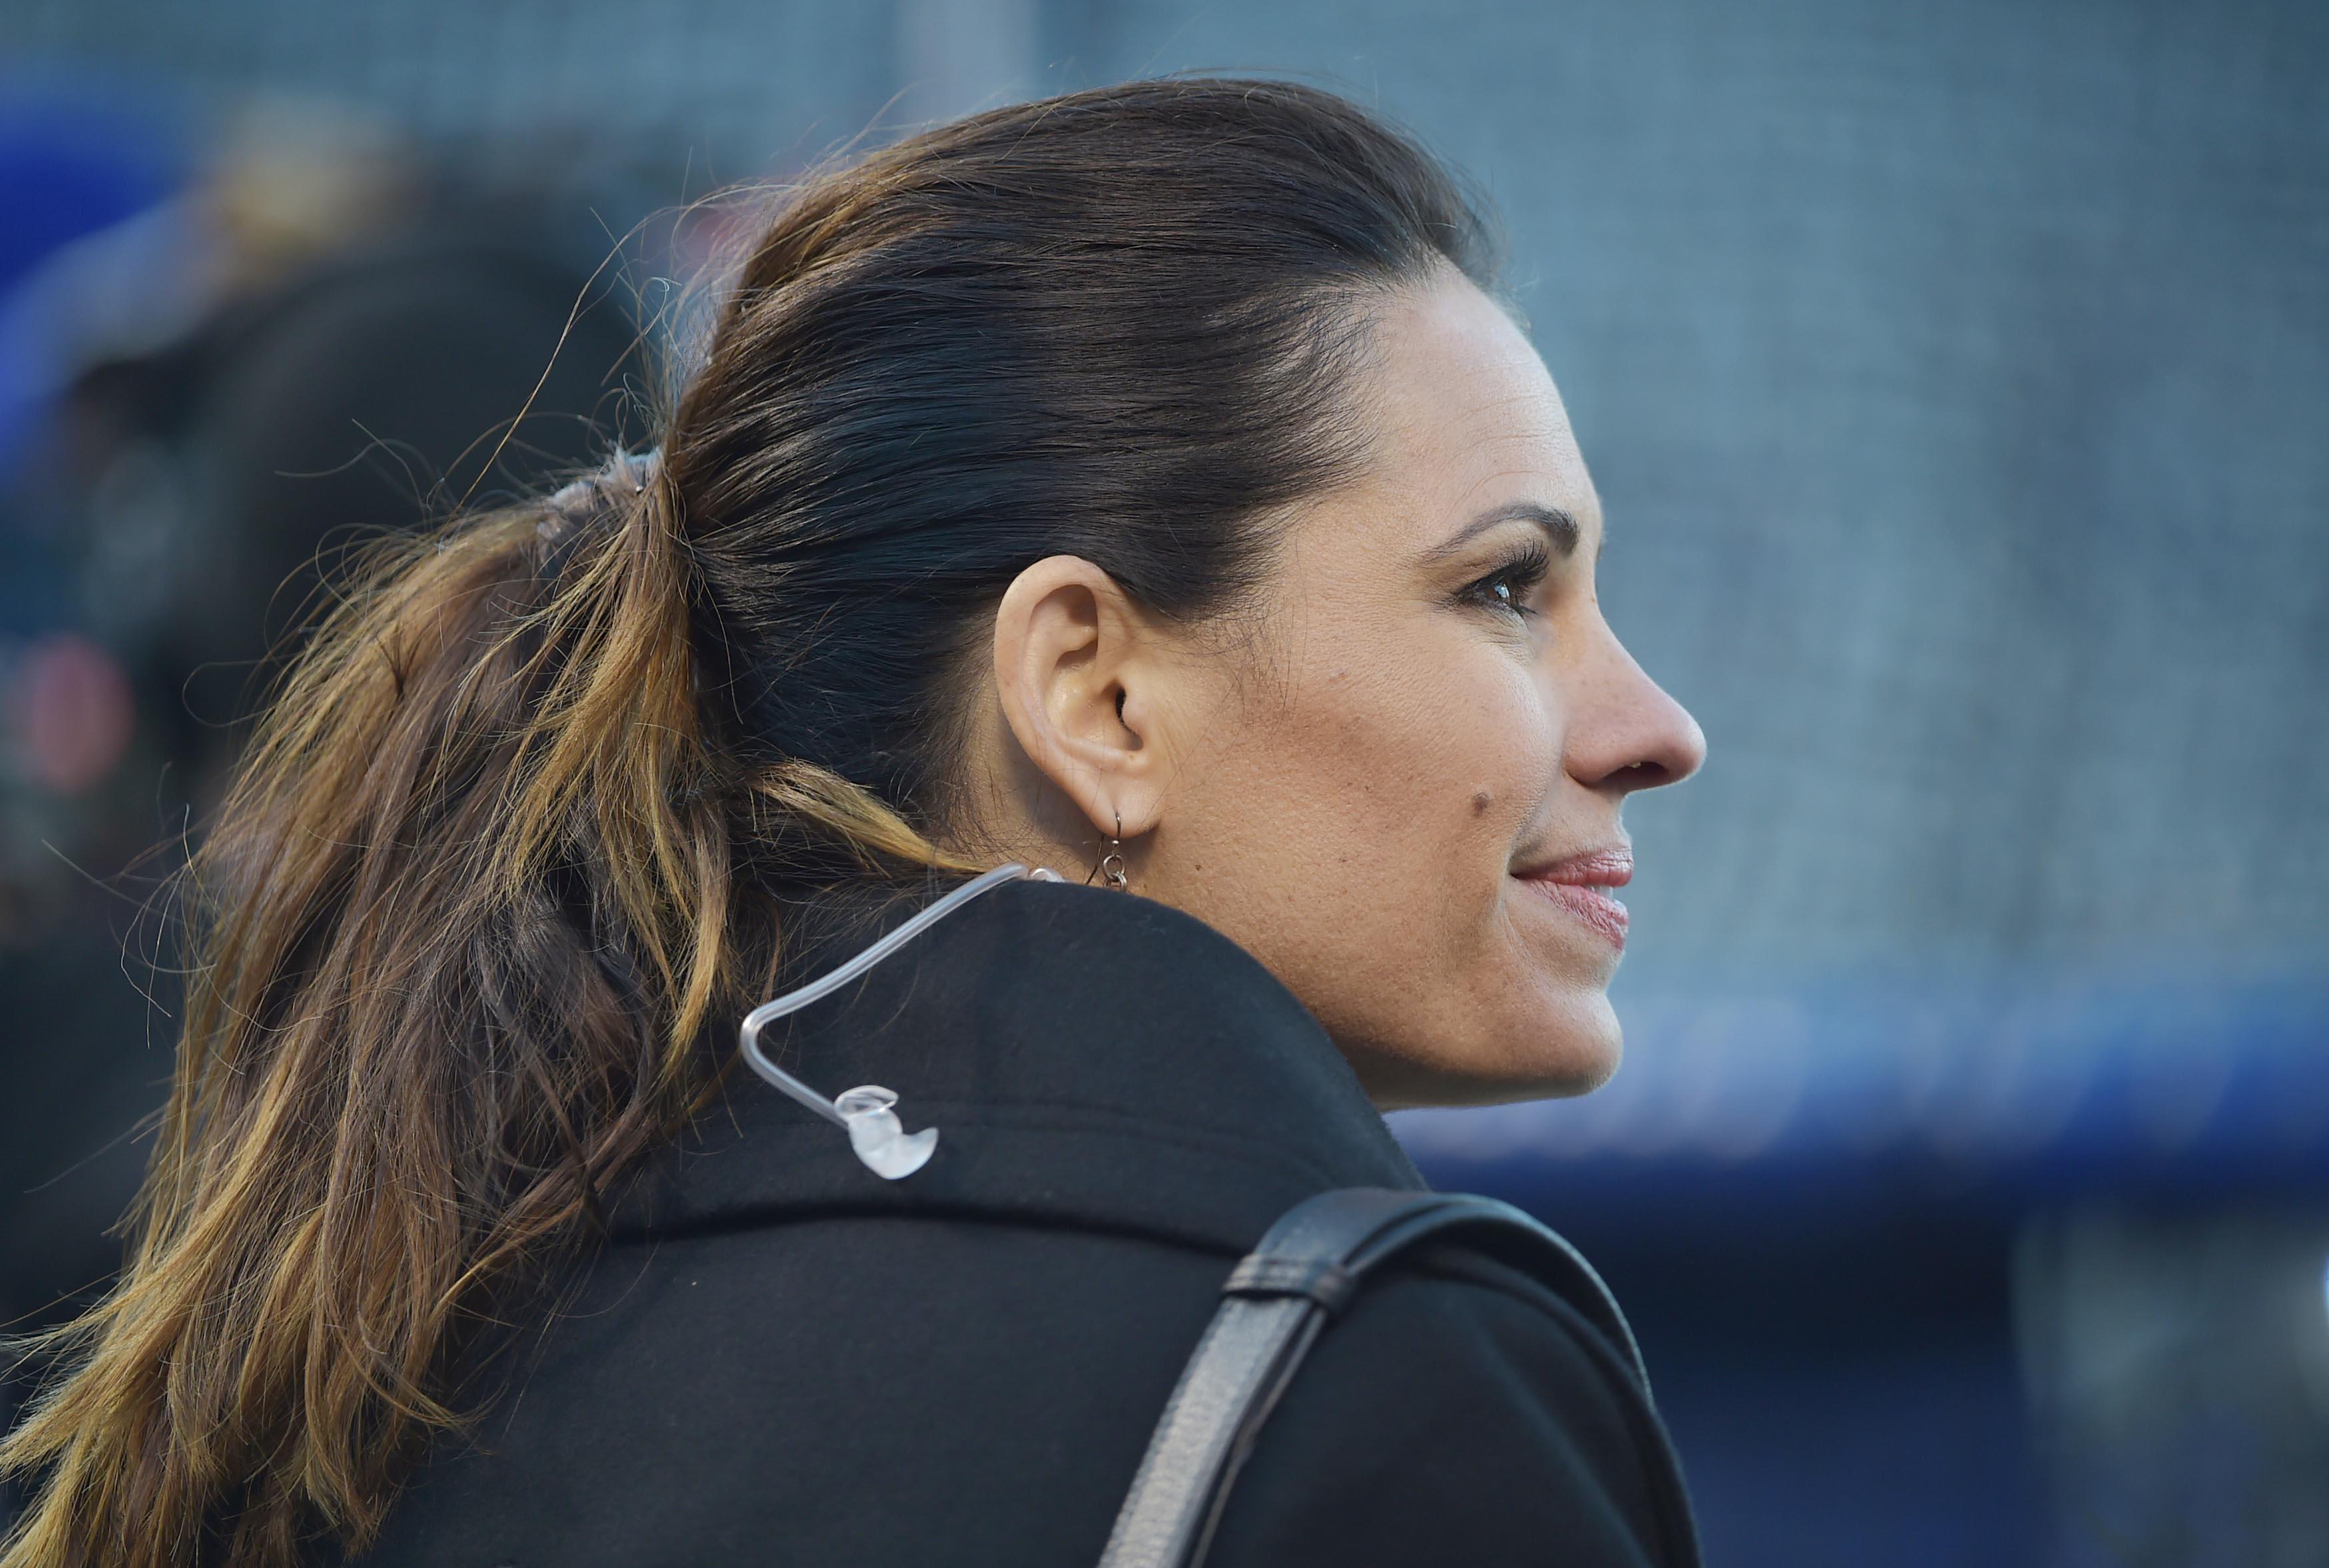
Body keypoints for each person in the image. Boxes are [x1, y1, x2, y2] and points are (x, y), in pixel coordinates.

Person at [0, 77, 1707, 1567]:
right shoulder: (1385, 1374)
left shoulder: (400, 1316)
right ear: (1097, 694)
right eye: (1504, 586)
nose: (1657, 728)